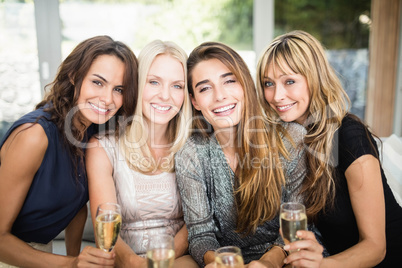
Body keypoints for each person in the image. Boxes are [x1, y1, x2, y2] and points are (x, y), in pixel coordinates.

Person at [256, 30, 402, 267]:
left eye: (289, 81)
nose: (277, 95)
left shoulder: (349, 135)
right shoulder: (284, 139)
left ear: (314, 79)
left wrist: (320, 265)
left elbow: (376, 247)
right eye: (268, 84)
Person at [0, 35, 138, 267]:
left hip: (42, 250)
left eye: (119, 89)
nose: (107, 99)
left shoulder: (92, 129)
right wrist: (70, 264)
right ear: (74, 76)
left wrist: (75, 257)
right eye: (97, 82)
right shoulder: (33, 136)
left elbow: (75, 205)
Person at [174, 41, 312, 268]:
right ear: (194, 101)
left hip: (285, 258)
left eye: (229, 81)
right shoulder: (191, 153)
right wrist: (223, 262)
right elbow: (200, 235)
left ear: (245, 85)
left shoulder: (291, 139)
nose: (220, 96)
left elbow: (296, 222)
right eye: (205, 88)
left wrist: (269, 262)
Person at [87, 40, 198, 268]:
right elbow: (105, 229)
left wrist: (157, 261)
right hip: (124, 262)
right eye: (154, 82)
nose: (165, 96)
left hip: (179, 259)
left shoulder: (193, 146)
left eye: (176, 86)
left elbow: (197, 224)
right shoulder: (102, 147)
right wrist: (133, 263)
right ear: (137, 85)